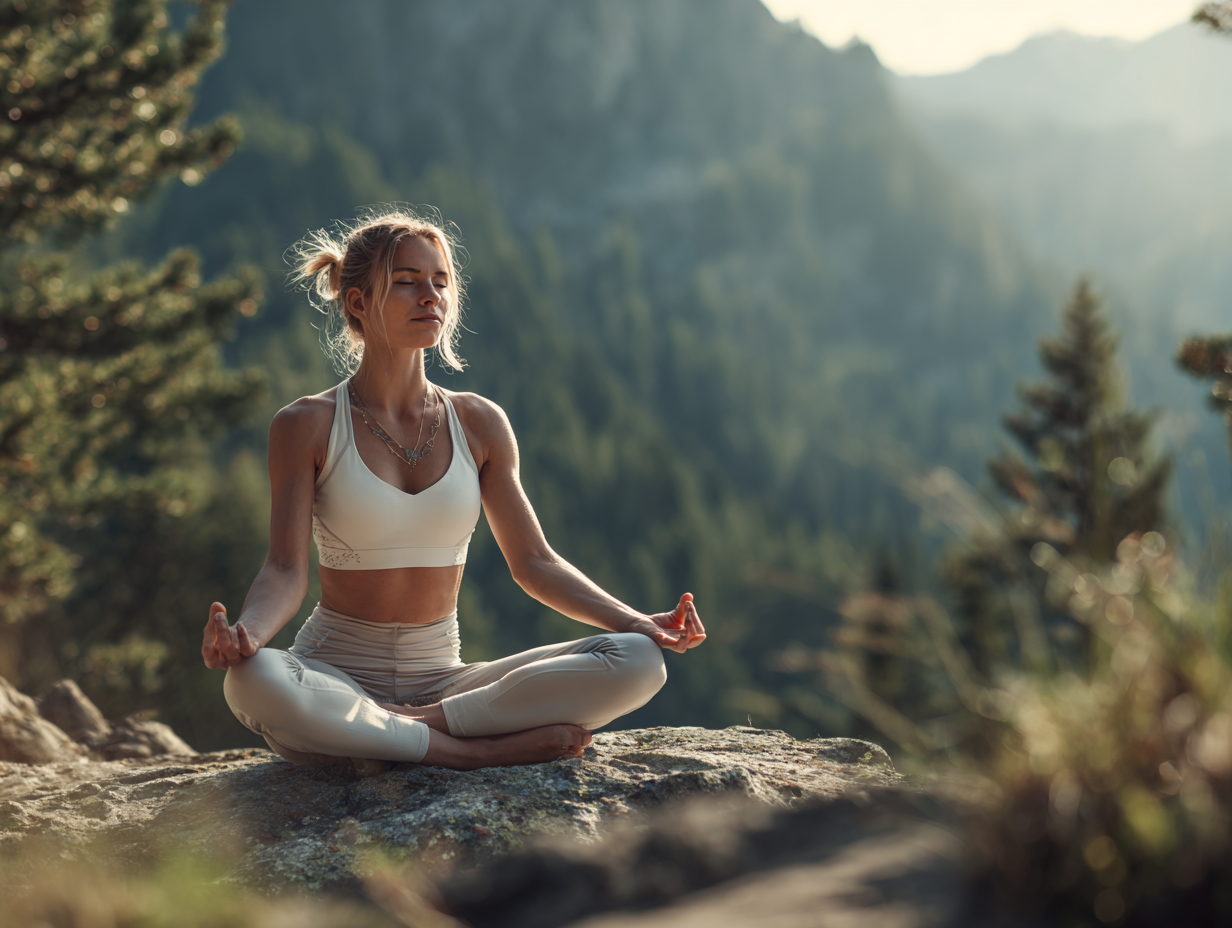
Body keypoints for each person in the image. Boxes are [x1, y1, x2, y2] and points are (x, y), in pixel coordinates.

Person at [202, 209, 706, 770]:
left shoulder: (478, 422)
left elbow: (534, 562)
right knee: (254, 679)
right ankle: (472, 753)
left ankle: (400, 732)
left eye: (440, 281)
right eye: (407, 282)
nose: (430, 296)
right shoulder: (306, 423)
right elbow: (284, 571)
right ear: (358, 303)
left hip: (447, 682)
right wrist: (247, 634)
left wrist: (638, 621)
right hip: (332, 673)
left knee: (639, 660)